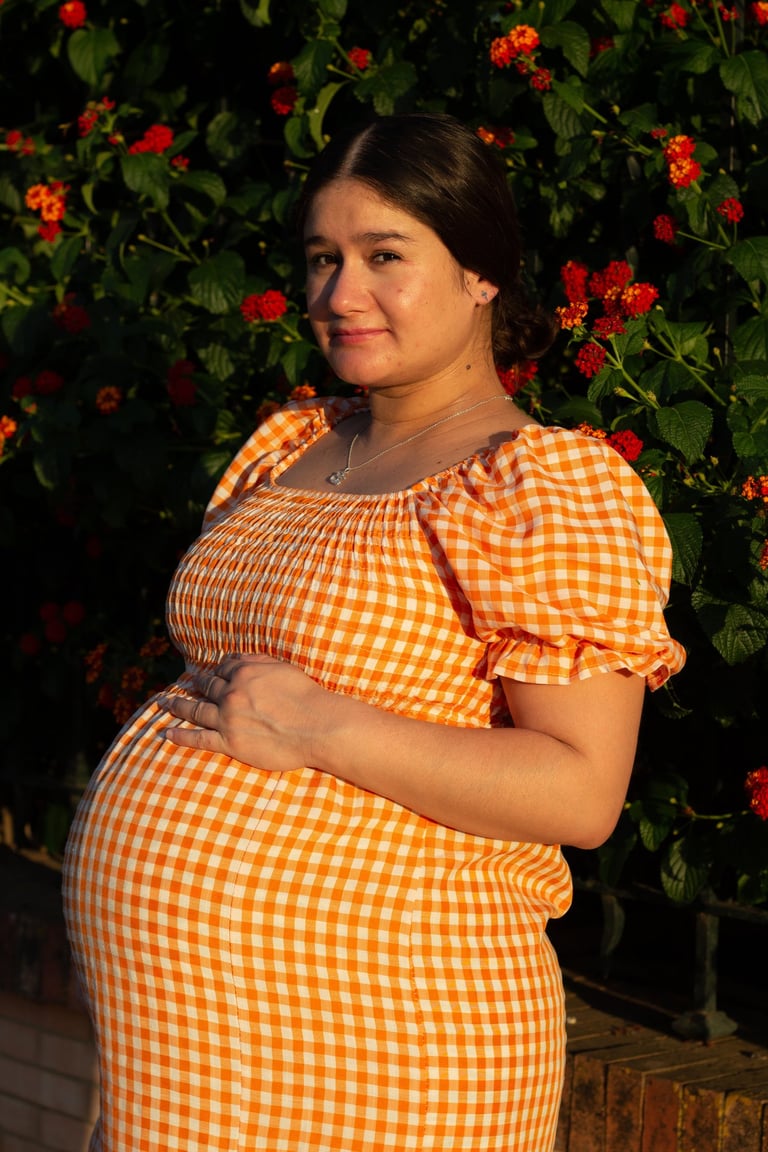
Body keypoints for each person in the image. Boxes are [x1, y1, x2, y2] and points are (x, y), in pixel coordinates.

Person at [63, 112, 686, 1151]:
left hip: (385, 1044)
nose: (340, 295)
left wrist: (323, 729)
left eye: (384, 256)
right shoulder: (292, 445)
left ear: (481, 272)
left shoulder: (536, 484)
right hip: (186, 1070)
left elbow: (580, 792)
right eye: (323, 259)